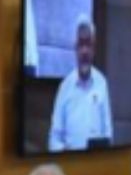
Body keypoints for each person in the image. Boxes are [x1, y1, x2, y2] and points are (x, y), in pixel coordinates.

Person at [48, 15, 112, 152]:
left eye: (88, 44)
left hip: (96, 160)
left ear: (94, 49)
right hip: (70, 161)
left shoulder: (102, 83)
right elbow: (54, 138)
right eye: (81, 44)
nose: (84, 51)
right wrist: (65, 153)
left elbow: (108, 134)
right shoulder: (65, 87)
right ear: (75, 48)